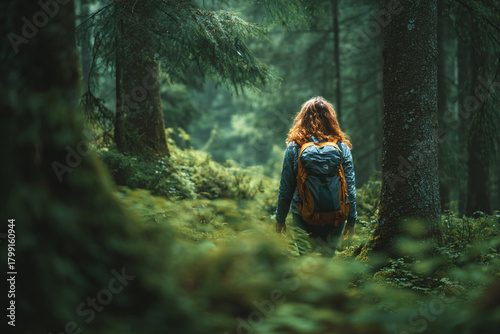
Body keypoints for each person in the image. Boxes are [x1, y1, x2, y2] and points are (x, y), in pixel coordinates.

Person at [275, 97, 357, 257]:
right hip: (336, 215)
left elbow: (286, 187)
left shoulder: (295, 147)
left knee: (307, 261)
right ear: (331, 119)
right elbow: (350, 186)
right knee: (325, 262)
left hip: (303, 214)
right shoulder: (342, 147)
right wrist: (352, 220)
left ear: (302, 119)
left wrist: (280, 219)